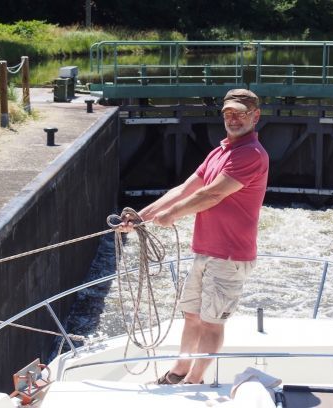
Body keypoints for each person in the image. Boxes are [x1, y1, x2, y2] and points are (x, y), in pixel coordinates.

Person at [121, 88, 269, 384]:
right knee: (192, 316)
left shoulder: (251, 154)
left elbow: (212, 194)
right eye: (228, 113)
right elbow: (184, 189)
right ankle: (179, 372)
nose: (233, 119)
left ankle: (194, 380)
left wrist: (173, 214)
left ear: (255, 116)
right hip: (205, 250)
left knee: (212, 323)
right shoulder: (220, 151)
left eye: (240, 113)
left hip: (229, 256)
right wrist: (141, 217)